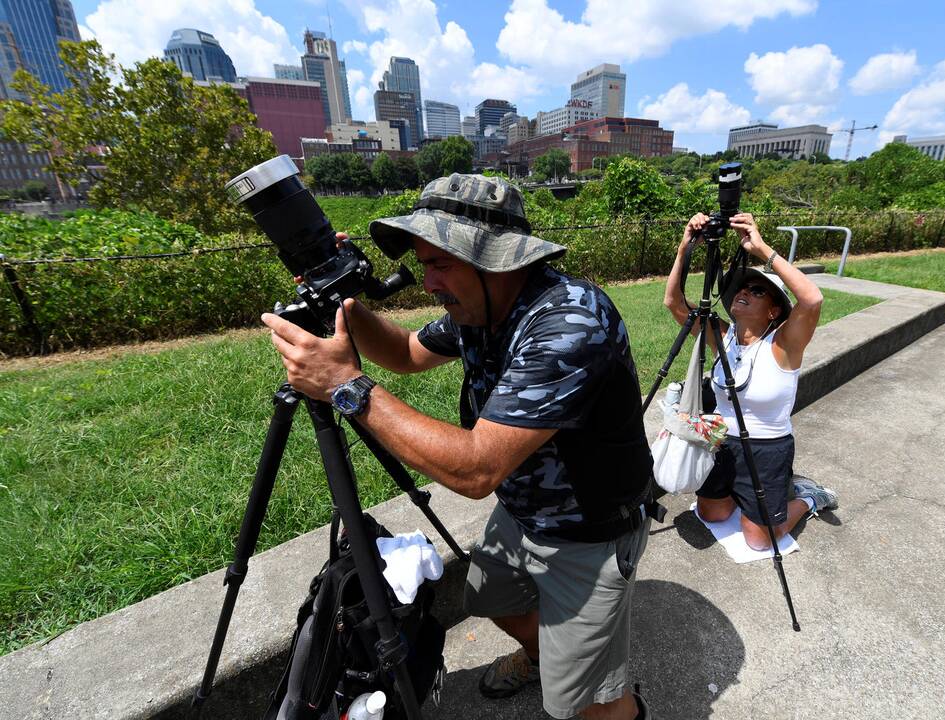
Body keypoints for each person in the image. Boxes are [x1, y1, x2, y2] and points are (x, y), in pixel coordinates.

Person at [261, 174, 657, 720]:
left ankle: (600, 693)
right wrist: (345, 305)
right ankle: (551, 656)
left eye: (439, 264)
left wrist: (345, 388)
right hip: (523, 512)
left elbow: (475, 472)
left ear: (497, 262)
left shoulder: (569, 324)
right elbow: (404, 352)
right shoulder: (480, 310)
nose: (427, 284)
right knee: (489, 598)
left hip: (587, 530)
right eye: (424, 264)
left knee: (590, 705)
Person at [663, 212, 838, 551]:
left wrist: (760, 249)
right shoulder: (722, 336)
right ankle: (754, 503)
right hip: (722, 444)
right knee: (711, 514)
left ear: (773, 311)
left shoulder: (784, 345)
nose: (744, 291)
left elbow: (813, 300)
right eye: (742, 288)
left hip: (767, 450)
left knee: (759, 541)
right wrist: (685, 247)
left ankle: (807, 498)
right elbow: (673, 302)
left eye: (757, 291)